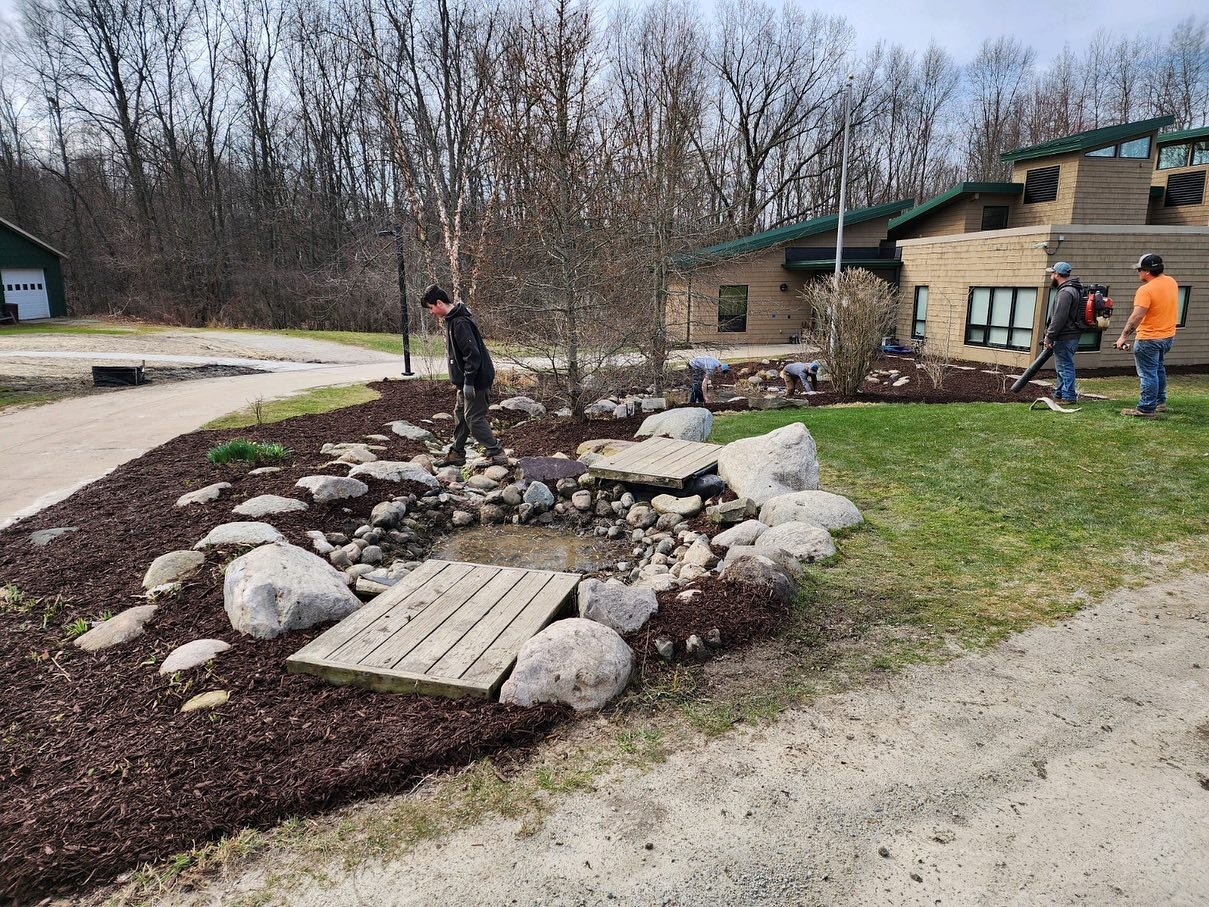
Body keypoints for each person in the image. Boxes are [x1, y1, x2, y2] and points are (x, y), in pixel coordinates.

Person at [419, 284, 508, 466]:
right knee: (460, 415)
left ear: (438, 303)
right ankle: (457, 453)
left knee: (473, 418)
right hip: (466, 381)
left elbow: (472, 355)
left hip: (477, 380)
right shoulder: (452, 320)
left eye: (431, 308)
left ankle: (496, 452)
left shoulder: (460, 322)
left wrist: (469, 382)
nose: (431, 312)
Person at [1114, 253, 1178, 418]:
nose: (1138, 273)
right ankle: (1160, 402)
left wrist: (1123, 337)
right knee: (1158, 370)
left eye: (1139, 270)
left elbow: (1136, 316)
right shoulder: (1171, 282)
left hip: (1149, 339)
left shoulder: (1145, 290)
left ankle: (1146, 408)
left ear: (1147, 271)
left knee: (1148, 374)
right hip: (1168, 337)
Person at [1042, 261, 1084, 404]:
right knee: (1062, 366)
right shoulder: (1074, 289)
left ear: (1057, 275)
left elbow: (1059, 317)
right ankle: (1060, 394)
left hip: (1065, 335)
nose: (1050, 277)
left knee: (1065, 366)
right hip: (1070, 334)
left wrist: (1049, 336)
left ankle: (1068, 396)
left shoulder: (1066, 292)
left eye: (1051, 274)